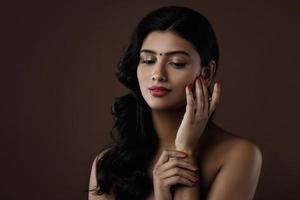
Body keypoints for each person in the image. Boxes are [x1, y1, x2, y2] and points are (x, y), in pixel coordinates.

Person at [88, 6, 262, 200]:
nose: (158, 75)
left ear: (206, 73)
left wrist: (185, 150)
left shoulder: (239, 155)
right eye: (148, 60)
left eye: (177, 63)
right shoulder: (107, 165)